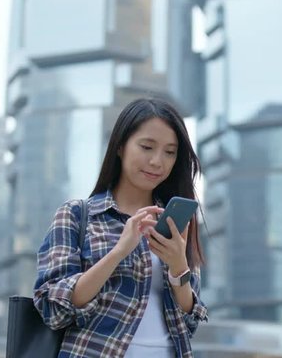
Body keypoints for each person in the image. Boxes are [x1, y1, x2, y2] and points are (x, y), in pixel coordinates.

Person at [33, 98, 208, 358]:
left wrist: (178, 268)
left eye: (170, 152)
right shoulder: (77, 216)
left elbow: (189, 322)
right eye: (147, 147)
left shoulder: (176, 223)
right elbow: (53, 309)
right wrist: (118, 252)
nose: (157, 161)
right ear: (120, 146)